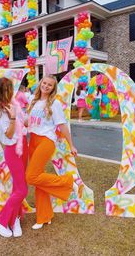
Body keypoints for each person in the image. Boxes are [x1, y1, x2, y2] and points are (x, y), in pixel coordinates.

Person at [26, 75, 78, 230]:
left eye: (49, 85)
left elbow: (62, 126)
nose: (46, 86)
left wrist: (72, 145)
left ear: (53, 88)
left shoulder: (54, 104)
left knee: (31, 176)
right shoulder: (33, 101)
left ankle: (68, 182)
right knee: (38, 179)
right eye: (44, 83)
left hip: (46, 140)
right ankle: (44, 216)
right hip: (33, 139)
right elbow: (29, 122)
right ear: (40, 83)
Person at [0, 77, 28, 238]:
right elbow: (9, 134)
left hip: (23, 145)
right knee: (22, 190)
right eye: (8, 89)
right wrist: (12, 117)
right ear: (1, 91)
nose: (11, 91)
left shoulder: (13, 105)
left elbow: (25, 123)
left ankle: (15, 218)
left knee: (17, 187)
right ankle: (0, 220)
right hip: (12, 149)